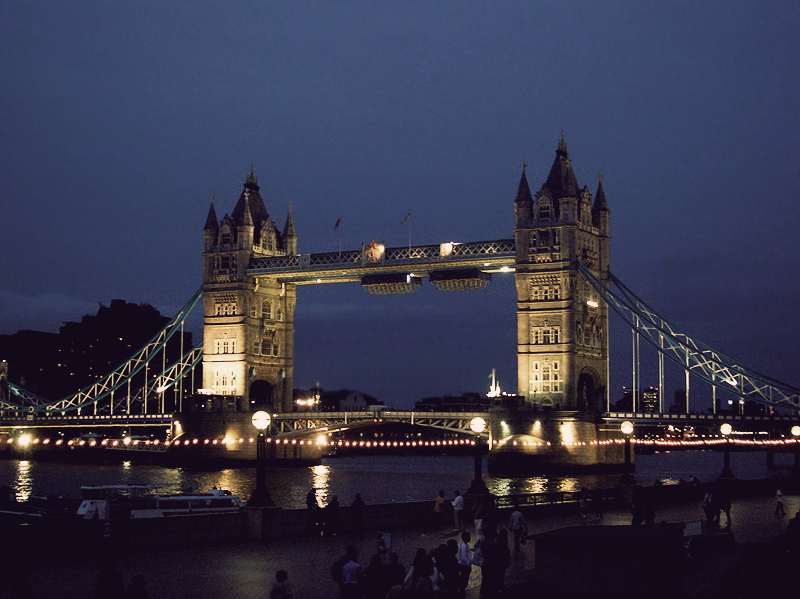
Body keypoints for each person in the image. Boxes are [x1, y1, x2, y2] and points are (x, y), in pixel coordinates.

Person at [456, 531, 473, 598]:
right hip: (464, 566)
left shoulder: (464, 545)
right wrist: (468, 564)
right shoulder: (464, 546)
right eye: (468, 537)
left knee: (464, 580)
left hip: (464, 565)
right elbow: (464, 557)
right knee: (464, 581)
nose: (470, 538)